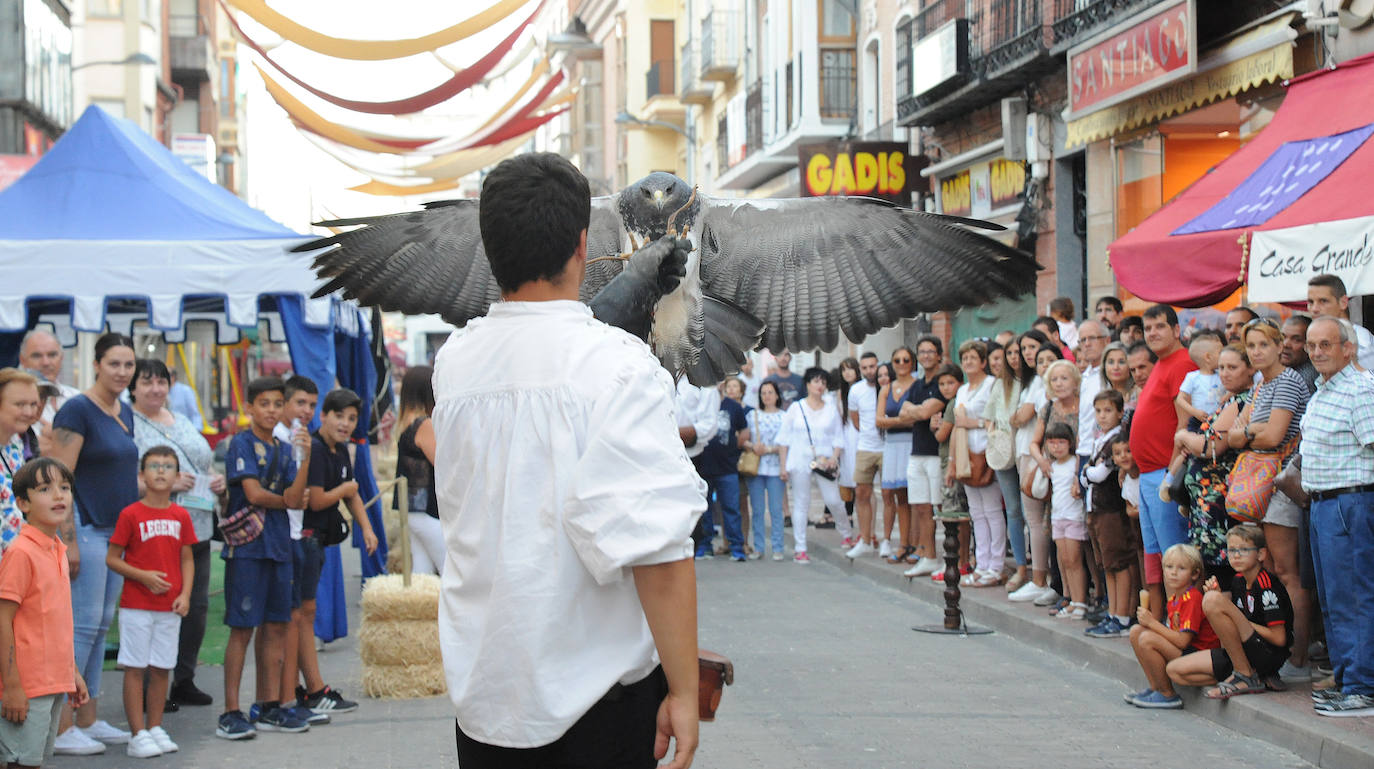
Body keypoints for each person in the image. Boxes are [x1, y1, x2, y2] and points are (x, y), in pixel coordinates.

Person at [432, 153, 702, 767]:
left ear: (490, 247)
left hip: (484, 702)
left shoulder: (457, 364)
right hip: (593, 707)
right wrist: (684, 691)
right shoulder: (618, 367)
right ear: (583, 244)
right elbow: (657, 551)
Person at [47, 332, 138, 754]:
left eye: (128, 365)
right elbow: (57, 480)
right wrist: (68, 542)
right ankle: (62, 725)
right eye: (114, 363)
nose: (122, 372)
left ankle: (89, 717)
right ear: (97, 364)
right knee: (81, 627)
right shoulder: (77, 410)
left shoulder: (124, 410)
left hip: (115, 532)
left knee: (101, 626)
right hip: (85, 527)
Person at [216, 376, 313, 740]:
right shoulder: (241, 443)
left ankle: (268, 704)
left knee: (275, 625)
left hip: (278, 544)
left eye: (276, 404)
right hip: (247, 547)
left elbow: (298, 496)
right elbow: (256, 494)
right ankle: (230, 710)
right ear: (250, 407)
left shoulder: (287, 449)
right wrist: (286, 498)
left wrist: (305, 457)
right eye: (264, 404)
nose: (271, 411)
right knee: (242, 627)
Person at [127, 359, 224, 712]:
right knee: (159, 608)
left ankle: (183, 678)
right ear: (133, 387)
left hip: (195, 525)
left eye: (161, 382)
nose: (155, 389)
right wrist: (165, 482)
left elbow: (203, 461)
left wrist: (216, 480)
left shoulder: (180, 419)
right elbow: (126, 478)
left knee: (195, 607)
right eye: (147, 382)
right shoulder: (128, 424)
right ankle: (153, 687)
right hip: (155, 532)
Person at [1298, 315, 1374, 716]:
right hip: (1323, 503)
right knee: (1332, 598)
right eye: (1312, 345)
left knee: (1354, 597)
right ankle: (1349, 682)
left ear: (1349, 348)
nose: (1316, 352)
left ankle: (1363, 687)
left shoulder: (1361, 390)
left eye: (1325, 344)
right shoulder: (1322, 390)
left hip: (1350, 503)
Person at [1228, 317, 1310, 681]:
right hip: (1260, 484)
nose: (1257, 352)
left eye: (1264, 344)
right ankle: (1283, 648)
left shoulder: (1289, 381)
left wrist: (1248, 433)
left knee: (1288, 571)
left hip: (1280, 483)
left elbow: (1275, 435)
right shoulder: (1262, 384)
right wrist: (1249, 433)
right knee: (1273, 569)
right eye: (1252, 346)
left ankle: (1298, 654)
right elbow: (1230, 435)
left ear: (1280, 346)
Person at [104, 446, 196, 758]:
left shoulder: (181, 515)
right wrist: (143, 576)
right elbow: (113, 559)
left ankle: (155, 726)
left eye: (167, 466)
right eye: (154, 466)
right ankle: (137, 733)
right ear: (142, 475)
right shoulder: (130, 514)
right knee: (135, 668)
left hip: (169, 607)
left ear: (177, 476)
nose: (160, 471)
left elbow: (187, 559)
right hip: (136, 606)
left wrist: (184, 594)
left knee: (161, 668)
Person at [0, 458, 89, 768]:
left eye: (64, 487)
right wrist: (11, 685)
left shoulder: (57, 550)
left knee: (33, 761)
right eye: (45, 489)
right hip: (26, 684)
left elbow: (55, 621)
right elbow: (3, 620)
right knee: (20, 763)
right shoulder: (21, 552)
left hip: (53, 680)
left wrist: (72, 672)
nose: (58, 495)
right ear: (23, 502)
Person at [301, 389, 378, 717]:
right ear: (324, 415)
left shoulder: (340, 451)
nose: (345, 424)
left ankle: (307, 688)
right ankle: (311, 689)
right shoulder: (316, 450)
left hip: (321, 542)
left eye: (351, 419)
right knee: (302, 616)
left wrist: (367, 528)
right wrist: (345, 491)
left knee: (304, 615)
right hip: (307, 539)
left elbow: (353, 495)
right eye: (339, 416)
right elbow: (318, 500)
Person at [1165, 525, 1292, 701]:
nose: (1236, 555)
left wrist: (1231, 614)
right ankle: (1246, 675)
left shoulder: (1266, 585)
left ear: (1261, 554)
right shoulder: (1238, 581)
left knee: (1210, 599)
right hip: (1243, 651)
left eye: (1244, 550)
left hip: (1267, 654)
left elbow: (1279, 639)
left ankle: (1244, 675)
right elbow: (1234, 625)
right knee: (1174, 671)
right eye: (1231, 550)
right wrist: (1226, 609)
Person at [1130, 305, 1196, 621]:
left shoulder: (1182, 363)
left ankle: (1183, 630)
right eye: (1148, 328)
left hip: (1164, 474)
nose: (1153, 332)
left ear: (1175, 329)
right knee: (1158, 560)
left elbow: (1184, 425)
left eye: (1159, 326)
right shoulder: (1161, 364)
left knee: (1176, 559)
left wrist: (1171, 475)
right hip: (1147, 475)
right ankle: (1165, 625)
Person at [1174, 345, 1255, 579]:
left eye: (1232, 367)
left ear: (1250, 369)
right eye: (1221, 368)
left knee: (1220, 570)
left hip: (1218, 503)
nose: (1225, 373)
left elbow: (1211, 447)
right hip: (1205, 503)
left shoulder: (1240, 402)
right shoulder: (1228, 400)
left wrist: (1183, 436)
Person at [269, 375, 322, 728]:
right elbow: (288, 493)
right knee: (285, 621)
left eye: (311, 405)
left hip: (298, 531)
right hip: (280, 535)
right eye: (300, 403)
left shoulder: (300, 439)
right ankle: (282, 698)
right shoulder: (276, 439)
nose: (306, 411)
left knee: (302, 614)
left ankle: (298, 692)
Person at [1124, 543, 1219, 709]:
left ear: (1195, 574)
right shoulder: (1175, 598)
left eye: (1181, 568)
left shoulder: (1193, 598)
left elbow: (1183, 641)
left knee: (1147, 638)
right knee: (1136, 631)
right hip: (1186, 650)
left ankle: (1168, 693)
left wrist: (1152, 623)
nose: (1173, 572)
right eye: (1169, 567)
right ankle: (1156, 687)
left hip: (1200, 654)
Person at [947, 340, 1003, 587]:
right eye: (965, 358)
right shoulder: (962, 390)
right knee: (977, 513)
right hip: (965, 454)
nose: (968, 361)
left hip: (986, 452)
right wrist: (951, 462)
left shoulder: (992, 385)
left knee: (992, 511)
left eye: (973, 357)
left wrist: (976, 424)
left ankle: (997, 565)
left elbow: (998, 420)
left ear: (983, 361)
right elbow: (956, 426)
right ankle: (982, 564)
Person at [779, 368, 846, 565]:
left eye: (823, 382)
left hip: (824, 460)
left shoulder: (832, 408)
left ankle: (846, 532)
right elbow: (783, 439)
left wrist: (834, 457)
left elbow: (838, 437)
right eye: (816, 381)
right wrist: (783, 466)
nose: (820, 385)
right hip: (800, 458)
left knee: (833, 500)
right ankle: (800, 548)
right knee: (801, 502)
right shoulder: (796, 408)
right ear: (807, 384)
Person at [1007, 332, 1056, 603]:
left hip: (1037, 455)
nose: (1027, 354)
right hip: (1027, 453)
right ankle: (1042, 578)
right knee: (1034, 521)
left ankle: (1040, 579)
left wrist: (1015, 416)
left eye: (1033, 348)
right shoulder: (1030, 381)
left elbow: (1021, 417)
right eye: (1024, 349)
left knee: (1037, 521)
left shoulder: (1042, 382)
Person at [1082, 392, 1134, 638]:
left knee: (1118, 563)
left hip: (1111, 509)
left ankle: (1122, 616)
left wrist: (1087, 472)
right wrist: (1087, 473)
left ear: (1120, 412)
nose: (1102, 416)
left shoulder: (1117, 439)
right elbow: (1088, 474)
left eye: (1108, 411)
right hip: (1097, 509)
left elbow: (1099, 474)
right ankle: (1113, 613)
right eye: (1099, 411)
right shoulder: (1100, 439)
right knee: (1107, 565)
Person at [897, 337, 948, 576]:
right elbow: (902, 414)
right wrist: (921, 411)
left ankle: (952, 557)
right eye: (922, 351)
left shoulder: (943, 381)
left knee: (942, 507)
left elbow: (927, 410)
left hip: (937, 453)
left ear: (939, 355)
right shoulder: (918, 384)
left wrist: (917, 411)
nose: (926, 355)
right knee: (921, 507)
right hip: (916, 453)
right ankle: (929, 556)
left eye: (930, 351)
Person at [983, 338, 1026, 590]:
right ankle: (1020, 567)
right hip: (1003, 452)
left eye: (1017, 352)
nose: (1013, 357)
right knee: (1012, 510)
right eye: (1008, 352)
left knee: (1032, 512)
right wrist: (994, 435)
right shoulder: (1001, 383)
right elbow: (988, 417)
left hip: (1026, 450)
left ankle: (1040, 569)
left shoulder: (1033, 383)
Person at [694, 382, 751, 562]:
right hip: (703, 466)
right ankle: (705, 545)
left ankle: (737, 547)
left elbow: (744, 431)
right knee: (704, 510)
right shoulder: (699, 405)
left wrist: (735, 449)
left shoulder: (733, 406)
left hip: (728, 468)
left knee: (731, 509)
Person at [394, 366, 441, 575]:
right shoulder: (424, 425)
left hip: (412, 510)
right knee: (450, 569)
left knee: (423, 573)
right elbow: (442, 464)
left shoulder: (406, 423)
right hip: (426, 510)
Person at [1042, 420, 1087, 619]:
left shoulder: (1074, 463)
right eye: (1052, 442)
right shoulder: (1052, 466)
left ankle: (1080, 602)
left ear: (1070, 443)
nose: (1056, 447)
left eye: (1061, 442)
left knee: (1074, 560)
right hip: (1057, 517)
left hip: (1074, 516)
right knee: (1065, 561)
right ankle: (1070, 599)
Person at [876, 349, 917, 564]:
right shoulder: (886, 388)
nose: (901, 363)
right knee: (899, 495)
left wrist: (895, 421)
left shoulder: (917, 384)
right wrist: (903, 420)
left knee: (916, 497)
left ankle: (919, 545)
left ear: (912, 362)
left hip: (912, 443)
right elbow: (879, 421)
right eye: (897, 360)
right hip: (892, 445)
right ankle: (904, 544)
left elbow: (918, 418)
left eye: (906, 360)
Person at [844, 353, 884, 558]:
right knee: (861, 493)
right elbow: (855, 420)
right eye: (865, 367)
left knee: (891, 495)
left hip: (887, 447)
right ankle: (865, 539)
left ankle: (885, 540)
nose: (870, 371)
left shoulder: (886, 386)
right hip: (865, 447)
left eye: (873, 366)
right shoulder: (856, 390)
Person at [746, 381, 787, 561]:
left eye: (770, 392)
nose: (767, 396)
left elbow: (787, 443)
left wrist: (769, 450)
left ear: (777, 395)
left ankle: (778, 547)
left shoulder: (784, 417)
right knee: (757, 509)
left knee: (776, 509)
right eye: (763, 393)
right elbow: (743, 439)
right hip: (756, 467)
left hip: (776, 467)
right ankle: (759, 547)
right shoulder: (752, 415)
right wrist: (753, 446)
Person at [0, 369, 41, 551]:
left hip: (16, 563)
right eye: (20, 404)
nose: (29, 412)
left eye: (33, 404)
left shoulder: (17, 442)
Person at [18, 330, 80, 437]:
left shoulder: (78, 398)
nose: (45, 362)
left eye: (52, 355)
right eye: (37, 356)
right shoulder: (8, 402)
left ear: (61, 358)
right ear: (22, 360)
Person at [1306, 273, 1374, 370]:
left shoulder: (1361, 344)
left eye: (1323, 301)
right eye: (1311, 302)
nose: (1314, 309)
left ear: (1343, 302)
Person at [1280, 314, 1318, 392]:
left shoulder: (1301, 380)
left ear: (1310, 345)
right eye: (1283, 337)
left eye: (1296, 340)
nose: (1286, 344)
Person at [1100, 341, 1139, 414]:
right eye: (1111, 362)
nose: (1116, 367)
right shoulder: (1101, 396)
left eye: (1121, 362)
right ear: (1104, 367)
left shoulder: (1139, 393)